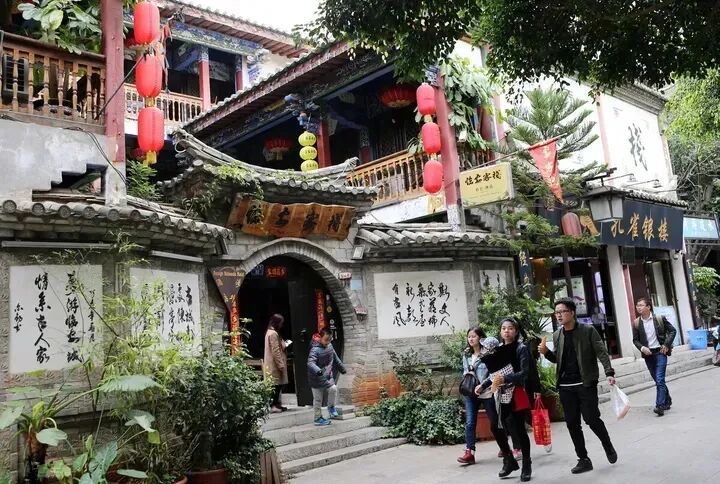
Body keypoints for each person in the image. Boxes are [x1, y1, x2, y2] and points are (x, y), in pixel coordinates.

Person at [539, 298, 617, 474]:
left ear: (572, 312)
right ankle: (583, 459)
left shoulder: (587, 331)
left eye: (562, 311)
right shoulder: (557, 335)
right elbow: (558, 360)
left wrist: (609, 372)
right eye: (556, 312)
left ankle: (607, 444)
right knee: (572, 423)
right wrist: (546, 353)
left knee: (591, 419)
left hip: (585, 383)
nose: (559, 315)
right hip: (565, 386)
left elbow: (601, 352)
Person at [476, 318, 538, 482]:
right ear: (500, 331)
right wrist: (483, 385)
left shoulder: (521, 348)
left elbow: (524, 373)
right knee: (495, 426)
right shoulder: (498, 349)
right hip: (500, 394)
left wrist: (505, 378)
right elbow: (495, 373)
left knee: (519, 429)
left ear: (516, 331)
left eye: (510, 328)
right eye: (504, 328)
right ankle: (509, 459)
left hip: (516, 391)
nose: (506, 331)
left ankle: (526, 464)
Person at [457, 327, 513, 465]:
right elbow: (465, 372)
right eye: (469, 336)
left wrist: (482, 385)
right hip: (471, 393)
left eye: (474, 336)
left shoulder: (488, 352)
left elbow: (493, 373)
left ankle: (504, 447)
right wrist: (469, 385)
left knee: (495, 421)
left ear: (480, 338)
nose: (471, 339)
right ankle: (469, 453)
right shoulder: (466, 354)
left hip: (487, 392)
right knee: (470, 422)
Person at [632, 297, 677, 416]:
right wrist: (642, 348)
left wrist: (666, 344)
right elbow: (635, 340)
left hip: (660, 352)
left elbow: (673, 331)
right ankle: (667, 400)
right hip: (648, 355)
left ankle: (660, 405)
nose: (638, 307)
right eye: (637, 305)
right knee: (657, 380)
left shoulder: (659, 318)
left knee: (660, 378)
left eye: (641, 305)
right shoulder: (636, 323)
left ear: (648, 307)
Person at [307, 328, 346, 426]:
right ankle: (318, 418)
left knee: (333, 388)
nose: (328, 342)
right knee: (318, 399)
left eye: (330, 339)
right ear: (320, 337)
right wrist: (318, 371)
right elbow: (310, 363)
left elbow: (335, 358)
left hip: (327, 375)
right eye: (326, 340)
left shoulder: (330, 345)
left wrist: (341, 368)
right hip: (316, 378)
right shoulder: (314, 349)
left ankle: (331, 407)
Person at [263, 314, 288, 413]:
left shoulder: (269, 332)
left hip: (272, 363)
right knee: (276, 386)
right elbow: (276, 350)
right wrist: (280, 364)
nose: (282, 325)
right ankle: (274, 405)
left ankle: (276, 404)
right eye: (281, 323)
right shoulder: (273, 334)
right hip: (274, 364)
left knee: (277, 385)